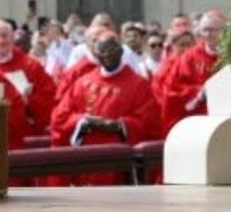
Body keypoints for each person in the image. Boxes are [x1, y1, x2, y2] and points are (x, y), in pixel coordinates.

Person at [50, 30, 162, 185]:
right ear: (96, 54)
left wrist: (119, 125)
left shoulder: (139, 85)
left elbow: (149, 121)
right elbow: (60, 117)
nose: (108, 55)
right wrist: (82, 121)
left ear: (121, 51)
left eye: (112, 50)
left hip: (121, 164)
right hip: (86, 161)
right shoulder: (83, 83)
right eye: (103, 51)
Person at [0, 19, 56, 149]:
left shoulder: (31, 66)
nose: (1, 41)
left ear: (12, 37)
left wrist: (30, 99)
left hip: (23, 135)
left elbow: (50, 97)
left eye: (5, 36)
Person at [154, 9, 225, 133]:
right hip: (198, 120)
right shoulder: (189, 57)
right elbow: (172, 89)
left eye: (213, 30)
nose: (208, 34)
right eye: (205, 30)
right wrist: (200, 92)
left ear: (223, 31)